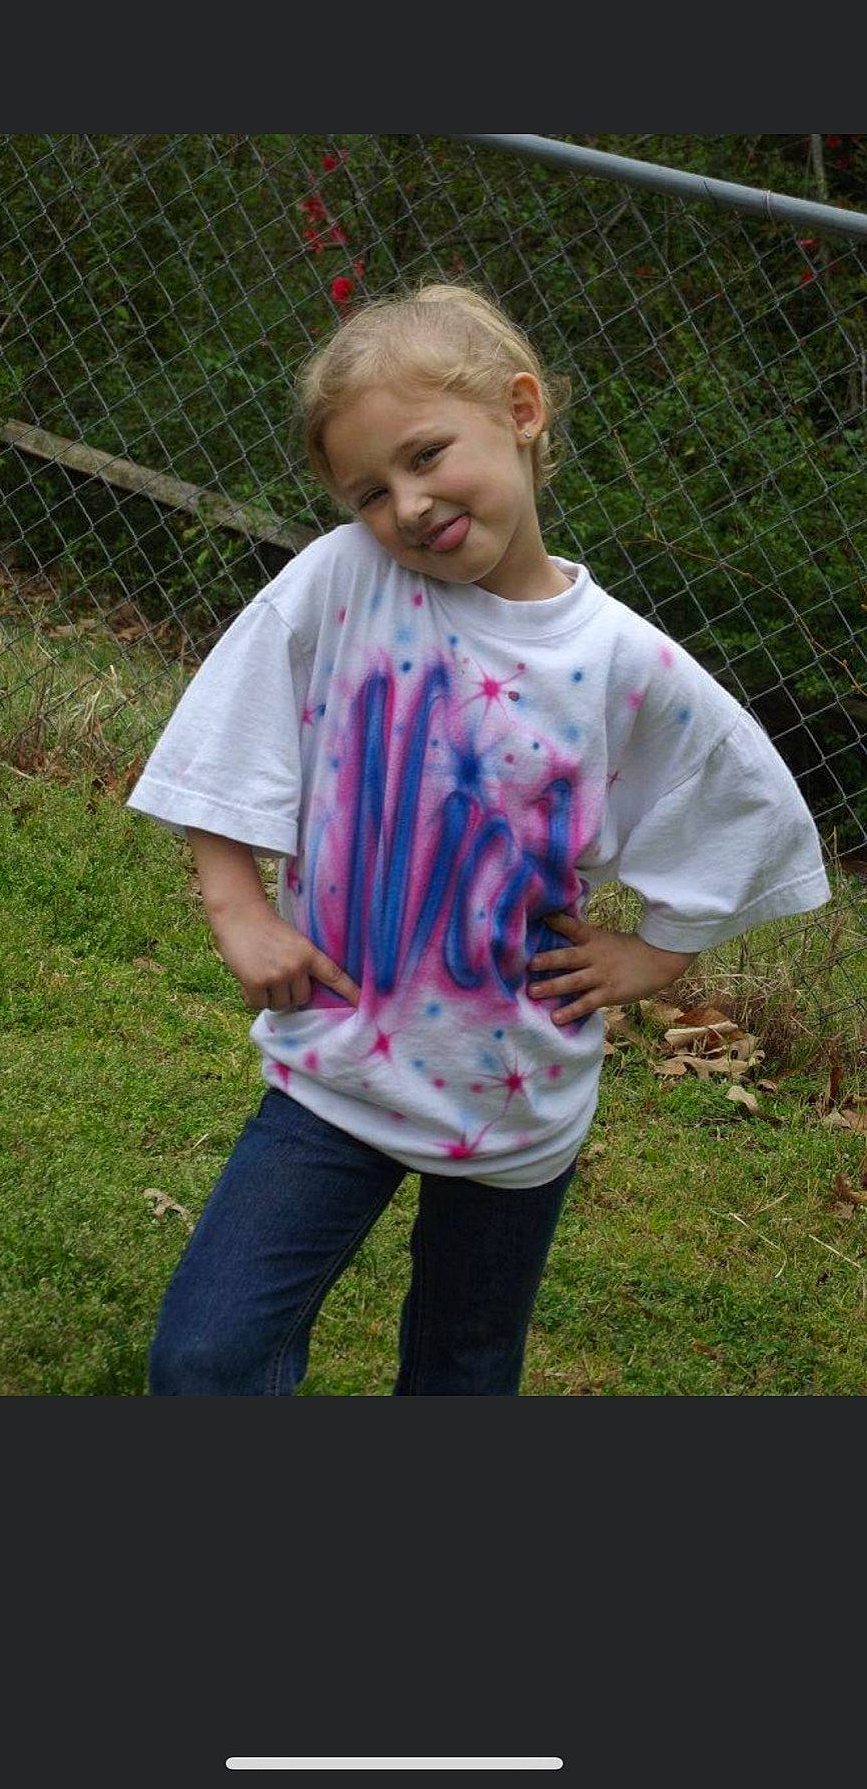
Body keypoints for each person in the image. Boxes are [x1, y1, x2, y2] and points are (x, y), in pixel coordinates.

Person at [127, 282, 831, 1396]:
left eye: (424, 454)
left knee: (462, 1367)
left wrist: (658, 952)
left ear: (520, 408)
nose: (405, 504)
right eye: (368, 489)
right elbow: (229, 734)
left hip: (515, 1094)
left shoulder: (624, 664)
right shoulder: (342, 583)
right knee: (206, 1355)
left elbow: (738, 802)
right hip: (336, 1066)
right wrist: (239, 907)